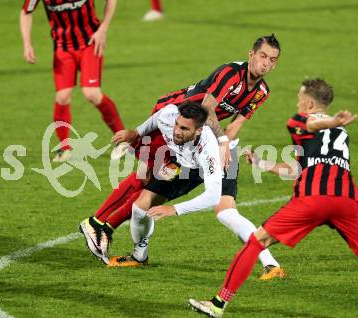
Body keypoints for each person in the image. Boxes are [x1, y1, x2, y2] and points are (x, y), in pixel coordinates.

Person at [81, 34, 285, 280]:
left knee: (225, 211)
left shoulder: (261, 91)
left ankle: (271, 265)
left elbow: (235, 125)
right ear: (251, 54)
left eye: (272, 60)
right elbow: (207, 109)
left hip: (202, 144)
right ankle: (119, 240)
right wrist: (136, 132)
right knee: (144, 191)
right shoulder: (231, 75)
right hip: (181, 129)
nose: (266, 63)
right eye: (262, 56)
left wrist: (224, 146)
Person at [189, 79, 358, 318]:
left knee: (256, 243)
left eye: (300, 99)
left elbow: (311, 123)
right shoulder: (341, 133)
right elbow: (299, 169)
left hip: (312, 199)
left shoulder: (299, 120)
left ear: (309, 103)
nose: (297, 103)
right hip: (347, 200)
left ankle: (218, 304)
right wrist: (262, 164)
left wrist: (332, 120)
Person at [81, 101, 223, 265]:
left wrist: (175, 209)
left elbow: (213, 196)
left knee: (228, 215)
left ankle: (258, 253)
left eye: (184, 129)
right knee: (140, 206)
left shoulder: (208, 151)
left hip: (200, 171)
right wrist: (136, 132)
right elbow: (158, 117)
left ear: (199, 130)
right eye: (177, 125)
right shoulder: (169, 116)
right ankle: (139, 256)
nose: (176, 131)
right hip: (179, 161)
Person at [20, 0, 124, 162]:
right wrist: (27, 44)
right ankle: (64, 148)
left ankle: (123, 139)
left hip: (90, 43)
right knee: (62, 96)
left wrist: (103, 29)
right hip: (62, 47)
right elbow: (26, 12)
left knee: (91, 94)